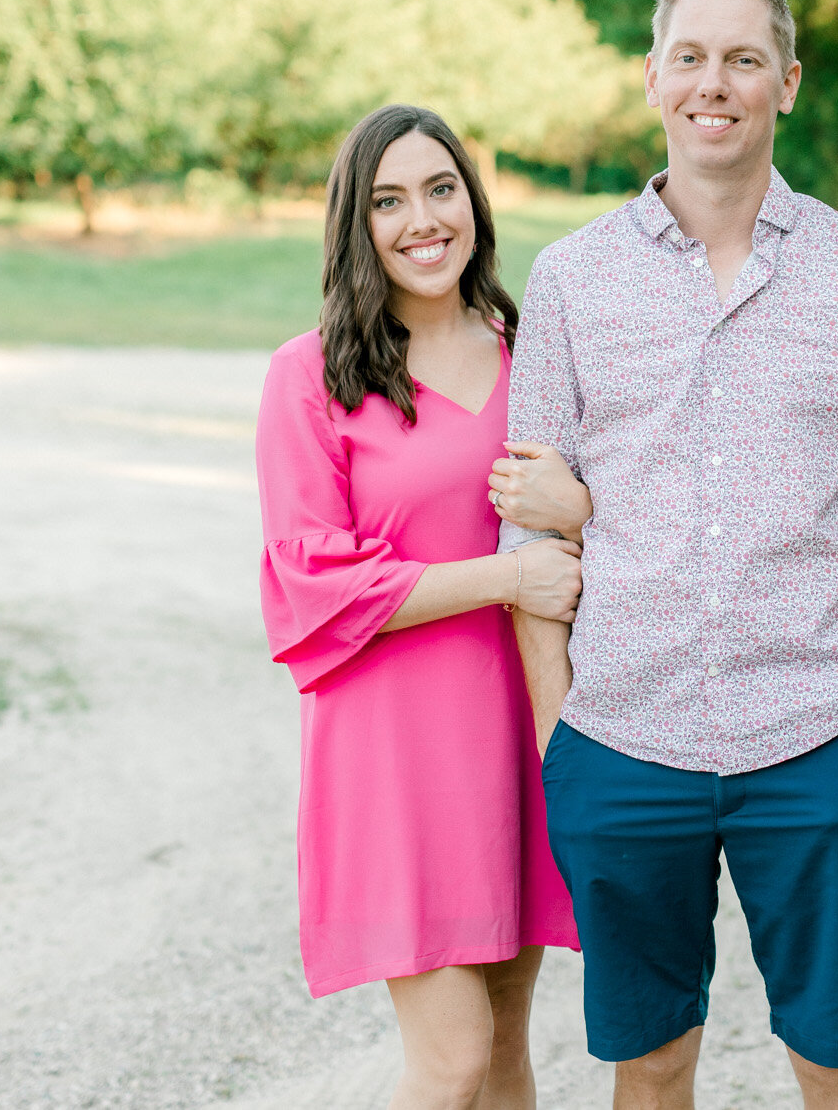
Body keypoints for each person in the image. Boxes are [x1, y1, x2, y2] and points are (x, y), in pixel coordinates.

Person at [497, 0, 838, 1110]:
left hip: (809, 742)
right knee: (648, 1065)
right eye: (690, 57)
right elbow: (527, 523)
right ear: (651, 80)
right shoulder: (569, 280)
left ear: (785, 82)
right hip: (620, 739)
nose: (716, 82)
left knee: (836, 1056)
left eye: (743, 59)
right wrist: (562, 734)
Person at [254, 103, 592, 1110]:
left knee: (501, 1058)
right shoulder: (309, 377)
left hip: (522, 733)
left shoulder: (535, 350)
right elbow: (309, 586)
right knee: (445, 1062)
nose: (420, 221)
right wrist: (500, 579)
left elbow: (606, 523)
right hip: (395, 754)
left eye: (439, 190)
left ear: (473, 204)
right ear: (354, 225)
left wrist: (576, 509)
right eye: (387, 201)